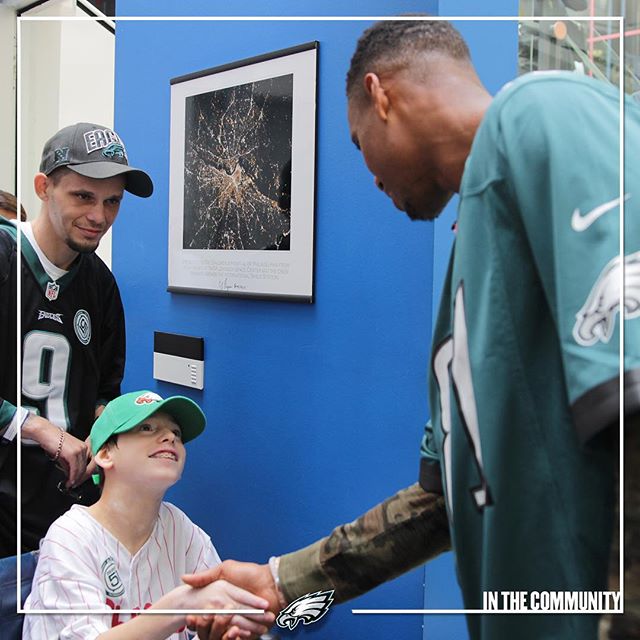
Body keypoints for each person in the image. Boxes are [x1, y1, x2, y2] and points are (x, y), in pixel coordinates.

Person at [183, 19, 640, 640]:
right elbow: (445, 502)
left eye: (356, 140)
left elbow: (630, 399)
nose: (370, 173)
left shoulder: (545, 111)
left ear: (381, 96)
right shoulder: (471, 254)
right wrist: (283, 579)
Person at [0, 122, 154, 558]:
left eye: (112, 202)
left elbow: (104, 391)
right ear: (43, 187)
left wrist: (117, 435)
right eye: (83, 196)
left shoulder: (101, 285)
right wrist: (34, 426)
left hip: (64, 513)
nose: (99, 216)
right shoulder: (4, 256)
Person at [22, 389, 273, 639]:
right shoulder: (70, 537)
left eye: (176, 433)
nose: (169, 437)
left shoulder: (182, 530)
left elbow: (215, 617)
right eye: (147, 428)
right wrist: (180, 606)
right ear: (105, 454)